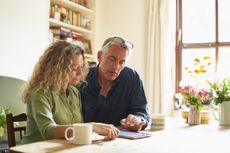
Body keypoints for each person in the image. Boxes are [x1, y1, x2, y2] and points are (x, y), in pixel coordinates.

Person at [21, 40, 119, 144]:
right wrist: (92, 127)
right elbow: (48, 131)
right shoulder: (40, 93)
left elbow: (76, 129)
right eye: (74, 68)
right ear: (57, 69)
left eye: (81, 67)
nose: (80, 72)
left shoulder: (74, 92)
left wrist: (99, 136)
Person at [79, 36, 150, 132]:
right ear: (100, 56)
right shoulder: (81, 77)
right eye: (112, 59)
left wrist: (138, 120)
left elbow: (142, 111)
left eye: (122, 62)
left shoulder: (132, 77)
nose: (116, 67)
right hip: (86, 139)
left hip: (120, 141)